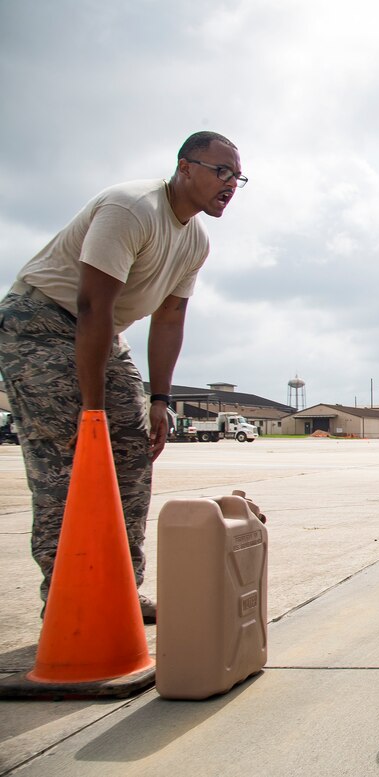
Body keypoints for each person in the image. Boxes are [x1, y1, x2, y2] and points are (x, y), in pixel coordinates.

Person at [0, 131, 245, 622]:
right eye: (221, 171)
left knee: (134, 446)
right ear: (185, 168)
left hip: (103, 332)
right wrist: (92, 410)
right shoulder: (131, 208)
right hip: (41, 322)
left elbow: (170, 317)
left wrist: (159, 398)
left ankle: (121, 589)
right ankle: (68, 599)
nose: (230, 185)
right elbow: (93, 303)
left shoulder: (194, 239)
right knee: (67, 452)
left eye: (238, 177)